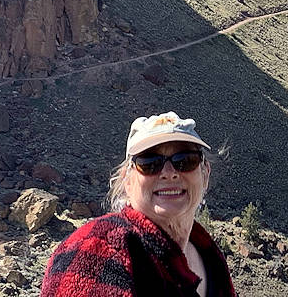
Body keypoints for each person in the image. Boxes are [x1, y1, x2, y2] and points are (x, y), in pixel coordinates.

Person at [41, 111, 235, 297]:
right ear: (127, 180)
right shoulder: (95, 249)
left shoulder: (209, 256)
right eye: (150, 163)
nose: (169, 172)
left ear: (205, 174)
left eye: (185, 160)